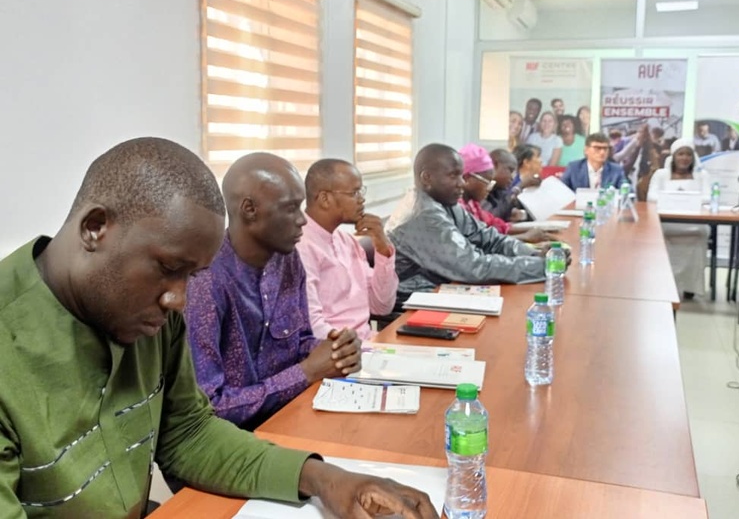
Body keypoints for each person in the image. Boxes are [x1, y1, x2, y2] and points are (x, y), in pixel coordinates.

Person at [0, 138, 436, 518]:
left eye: (191, 276)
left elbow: (188, 432)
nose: (180, 301)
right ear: (95, 228)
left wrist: (326, 479)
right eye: (169, 269)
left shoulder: (151, 313)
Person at [185, 153, 363, 431]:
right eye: (290, 208)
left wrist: (336, 350)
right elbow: (209, 406)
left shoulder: (288, 259)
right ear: (249, 210)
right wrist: (307, 372)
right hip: (235, 441)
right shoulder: (206, 281)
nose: (302, 220)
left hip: (293, 414)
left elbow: (299, 341)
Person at [386, 144, 545, 302]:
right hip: (415, 305)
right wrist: (541, 266)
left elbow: (488, 238)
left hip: (443, 289)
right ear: (427, 178)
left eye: (461, 175)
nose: (462, 183)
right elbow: (474, 267)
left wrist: (533, 254)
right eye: (453, 175)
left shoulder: (444, 202)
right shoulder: (423, 214)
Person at [297, 159, 398, 342]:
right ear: (325, 198)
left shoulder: (347, 241)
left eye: (361, 191)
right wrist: (355, 350)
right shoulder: (302, 247)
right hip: (339, 356)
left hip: (368, 346)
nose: (362, 199)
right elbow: (313, 326)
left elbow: (382, 306)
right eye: (354, 193)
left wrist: (383, 250)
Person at [647, 139, 711, 299]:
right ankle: (665, 283)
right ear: (674, 156)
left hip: (694, 224)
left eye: (688, 154)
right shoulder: (661, 174)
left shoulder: (702, 175)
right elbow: (651, 197)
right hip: (666, 224)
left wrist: (680, 199)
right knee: (660, 235)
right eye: (681, 154)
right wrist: (679, 199)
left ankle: (691, 286)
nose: (684, 158)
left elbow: (709, 198)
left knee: (701, 233)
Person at [458, 144, 550, 243]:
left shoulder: (472, 204)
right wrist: (524, 237)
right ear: (466, 179)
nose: (490, 187)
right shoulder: (458, 208)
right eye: (487, 181)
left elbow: (494, 224)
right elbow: (475, 242)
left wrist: (538, 231)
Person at [561, 132, 629, 191]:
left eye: (605, 148)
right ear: (586, 150)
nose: (602, 152)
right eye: (597, 148)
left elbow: (628, 191)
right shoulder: (574, 168)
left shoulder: (616, 170)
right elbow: (561, 191)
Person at [484, 148, 528, 222]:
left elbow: (504, 206)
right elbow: (490, 217)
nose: (512, 177)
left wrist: (513, 212)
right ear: (495, 165)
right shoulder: (482, 187)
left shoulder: (499, 188)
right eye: (510, 170)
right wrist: (519, 187)